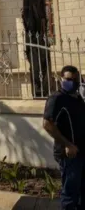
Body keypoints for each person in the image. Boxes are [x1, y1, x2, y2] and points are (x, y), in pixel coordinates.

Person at [44, 65, 85, 210]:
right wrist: (68, 145)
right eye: (68, 79)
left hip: (81, 152)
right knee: (70, 195)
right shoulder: (57, 98)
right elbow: (48, 124)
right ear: (61, 79)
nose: (72, 82)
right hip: (69, 155)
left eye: (75, 79)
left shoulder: (78, 98)